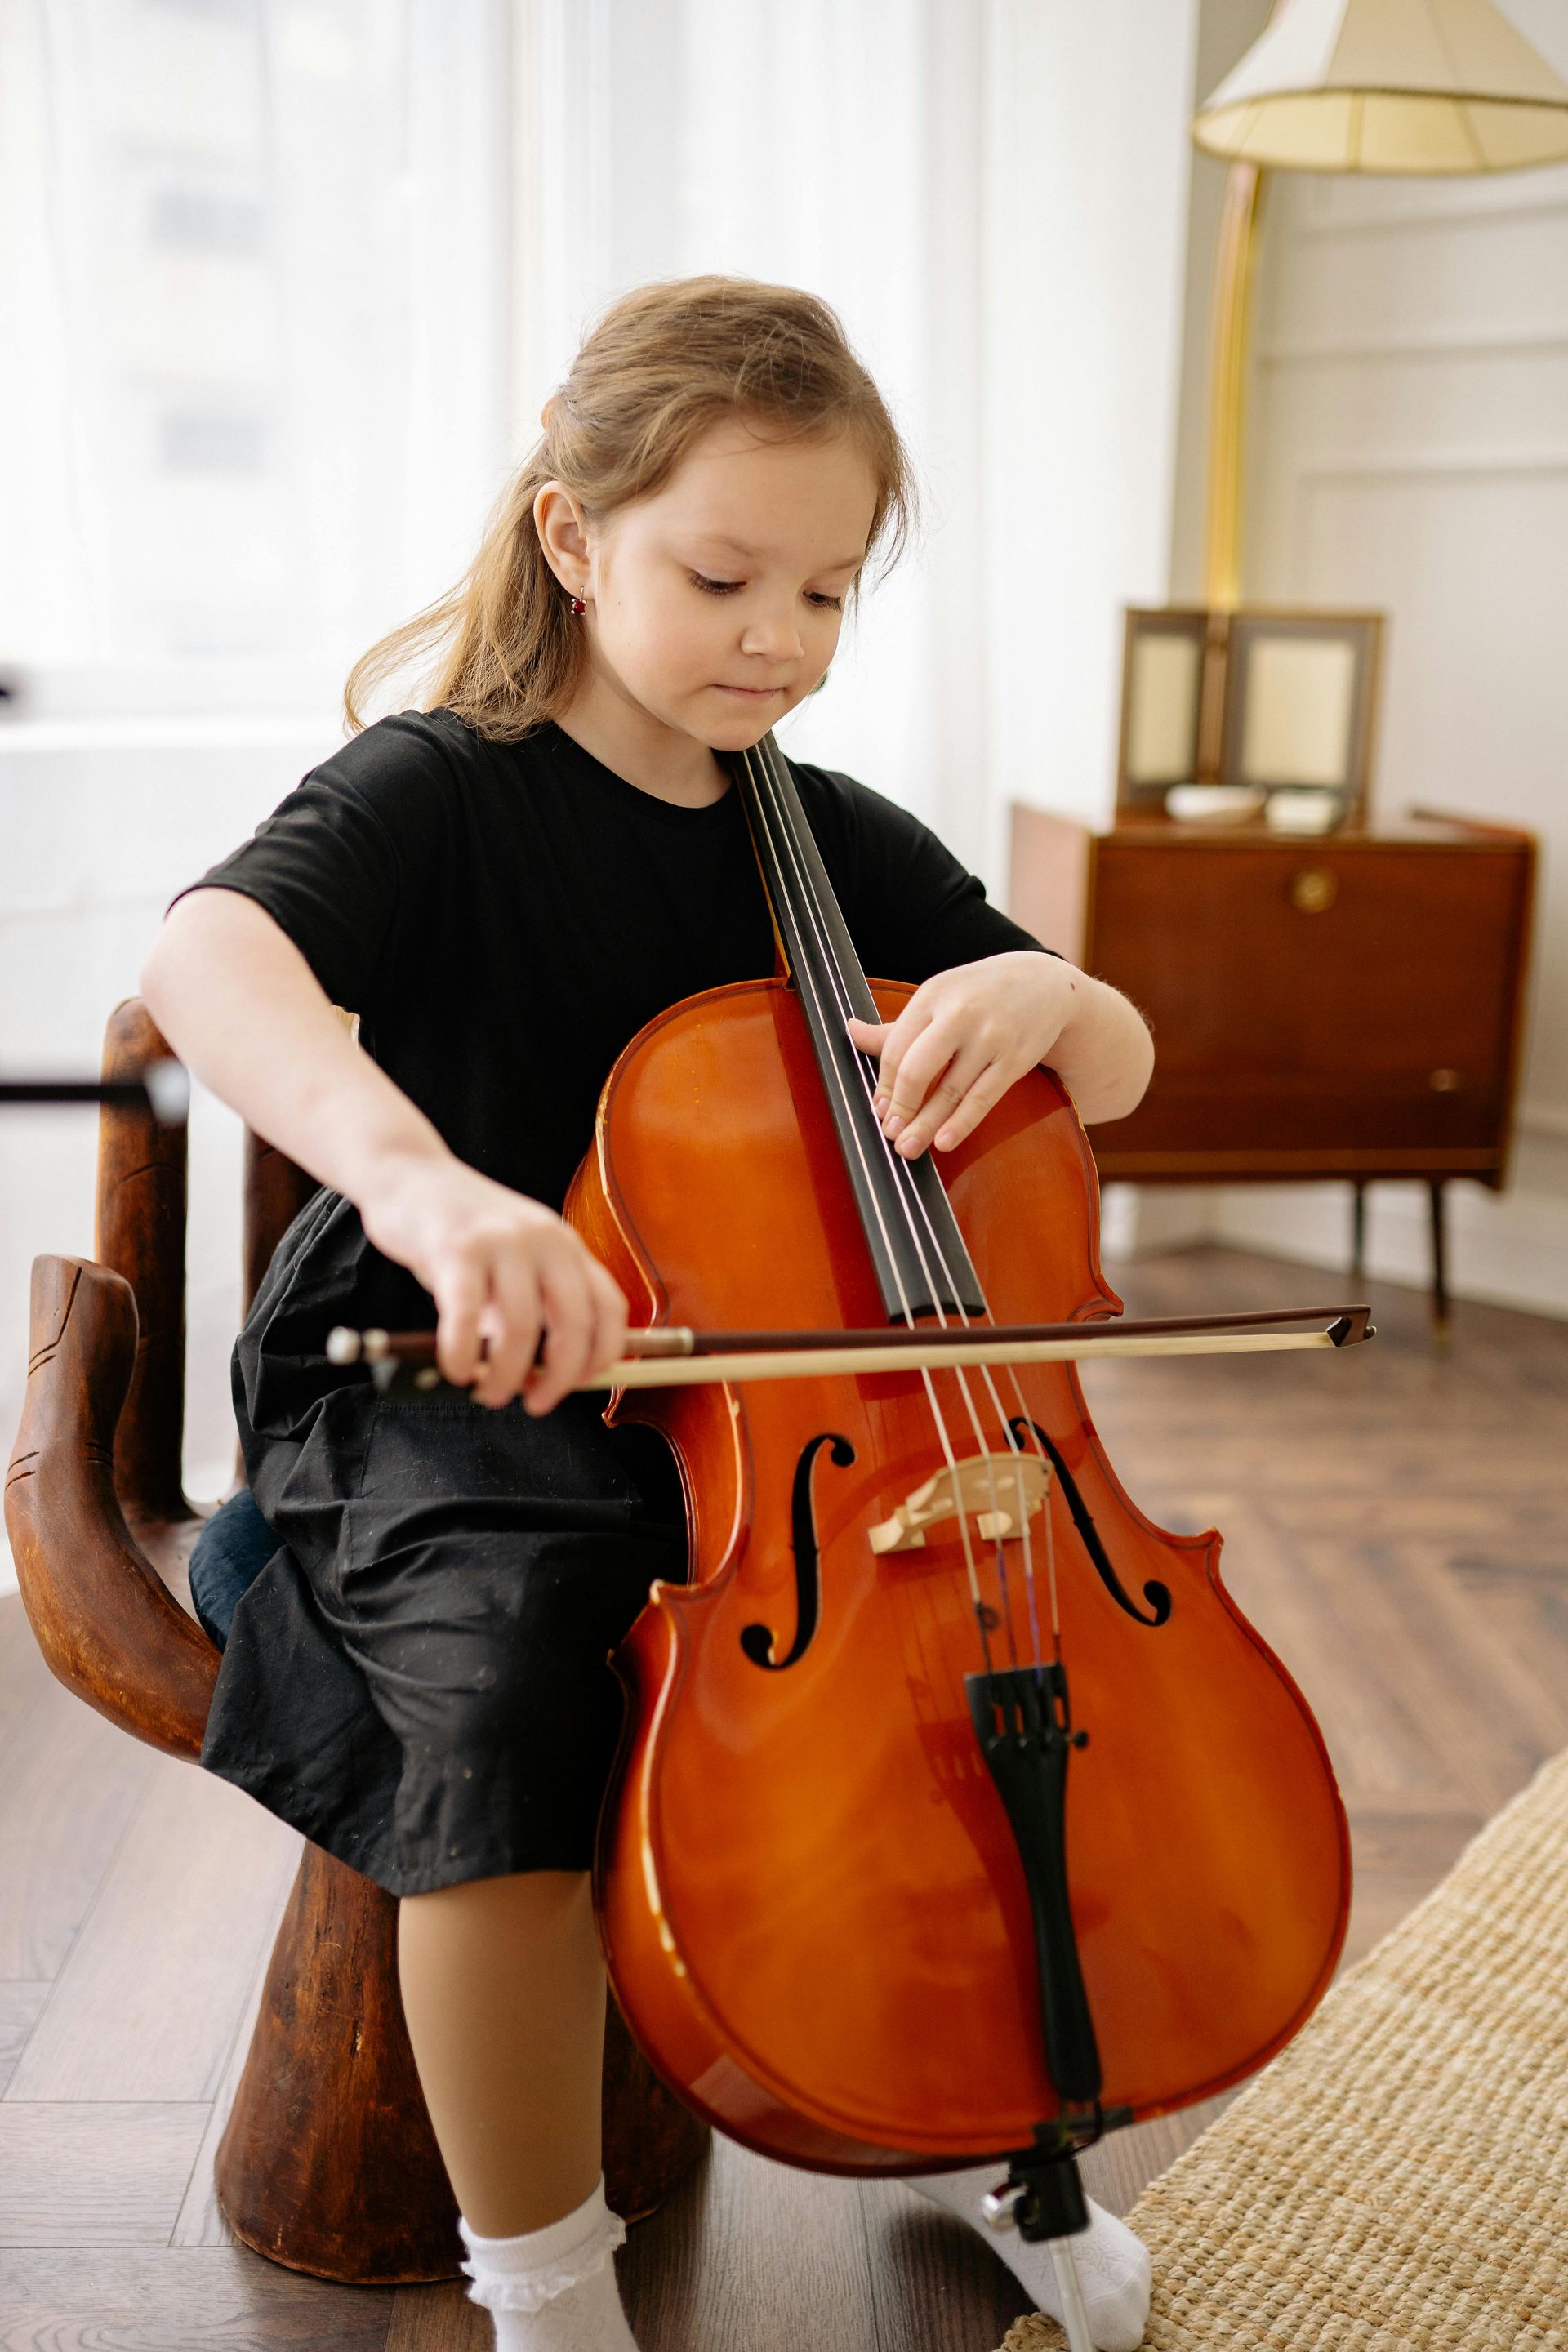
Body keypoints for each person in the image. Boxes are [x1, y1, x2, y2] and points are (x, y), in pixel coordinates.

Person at [142, 276, 1156, 2352]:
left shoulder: (822, 834)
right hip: (455, 1377)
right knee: (510, 1691)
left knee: (952, 1685)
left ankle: (995, 2119)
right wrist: (424, 1185)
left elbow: (1123, 1059)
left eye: (828, 591)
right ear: (571, 535)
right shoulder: (439, 787)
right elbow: (208, 958)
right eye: (721, 575)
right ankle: (547, 2286)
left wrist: (1054, 996)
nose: (776, 636)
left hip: (773, 1398)